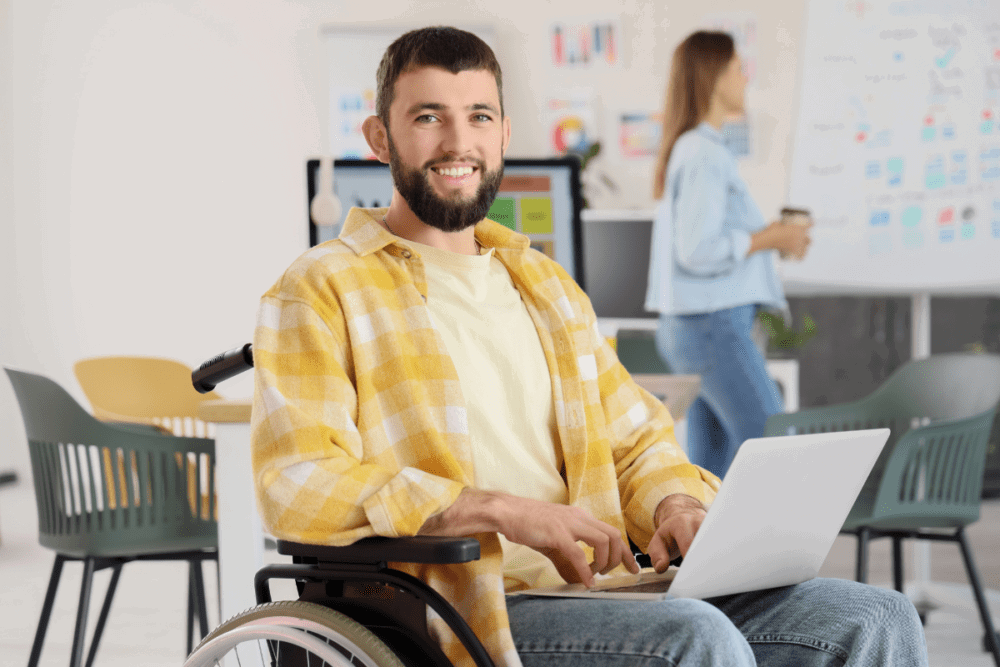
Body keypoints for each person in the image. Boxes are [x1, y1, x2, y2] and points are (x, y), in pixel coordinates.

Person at [251, 25, 927, 667]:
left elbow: (636, 440)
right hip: (462, 610)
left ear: (505, 134)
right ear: (379, 137)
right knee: (693, 638)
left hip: (603, 590)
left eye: (480, 116)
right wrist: (496, 509)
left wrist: (676, 505)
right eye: (429, 117)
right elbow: (297, 481)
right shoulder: (320, 288)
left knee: (875, 617)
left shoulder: (544, 284)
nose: (459, 140)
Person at [645, 31, 813, 479]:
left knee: (712, 472)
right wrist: (772, 237)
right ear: (716, 77)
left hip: (700, 328)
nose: (746, 77)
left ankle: (703, 552)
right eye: (739, 67)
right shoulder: (703, 153)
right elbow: (698, 250)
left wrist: (771, 237)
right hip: (713, 327)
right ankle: (772, 550)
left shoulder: (697, 149)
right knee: (774, 449)